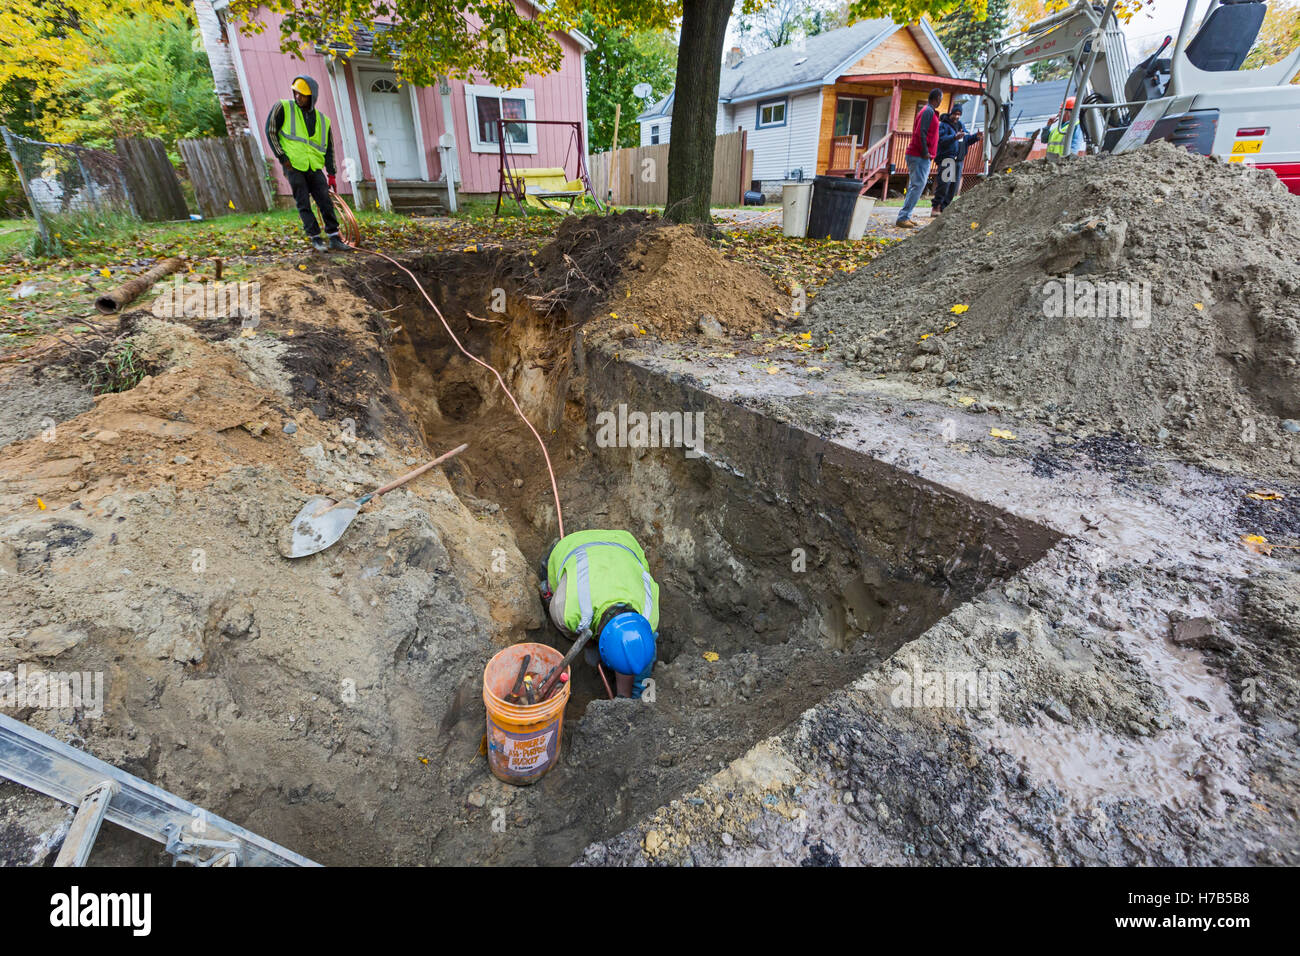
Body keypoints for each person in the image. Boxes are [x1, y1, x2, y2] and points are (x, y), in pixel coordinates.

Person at [541, 530, 660, 698]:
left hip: (624, 543)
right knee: (550, 589)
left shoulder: (650, 616)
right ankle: (547, 583)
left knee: (630, 656)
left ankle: (625, 695)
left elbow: (637, 654)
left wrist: (634, 697)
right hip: (572, 547)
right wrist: (589, 644)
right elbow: (570, 630)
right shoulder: (569, 612)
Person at [266, 76, 350, 252]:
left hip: (314, 167)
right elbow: (271, 131)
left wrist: (332, 174)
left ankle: (334, 237)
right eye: (296, 93)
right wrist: (282, 157)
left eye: (302, 95)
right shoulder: (283, 107)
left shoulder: (323, 121)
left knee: (325, 201)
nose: (298, 97)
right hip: (293, 166)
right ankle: (315, 238)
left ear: (312, 96)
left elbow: (329, 149)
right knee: (303, 202)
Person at [896, 88, 943, 229]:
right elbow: (920, 132)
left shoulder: (927, 111)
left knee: (915, 185)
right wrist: (925, 151)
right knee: (918, 185)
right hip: (919, 155)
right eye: (941, 99)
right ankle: (903, 217)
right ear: (937, 98)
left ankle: (906, 216)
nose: (941, 101)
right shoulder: (928, 111)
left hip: (919, 155)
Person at [933, 104, 981, 215]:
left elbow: (966, 140)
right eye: (955, 114)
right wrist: (954, 137)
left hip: (958, 160)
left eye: (959, 114)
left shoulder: (960, 125)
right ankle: (936, 206)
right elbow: (940, 140)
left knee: (953, 186)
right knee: (944, 184)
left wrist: (975, 137)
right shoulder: (943, 125)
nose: (957, 116)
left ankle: (944, 208)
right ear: (951, 113)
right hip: (947, 158)